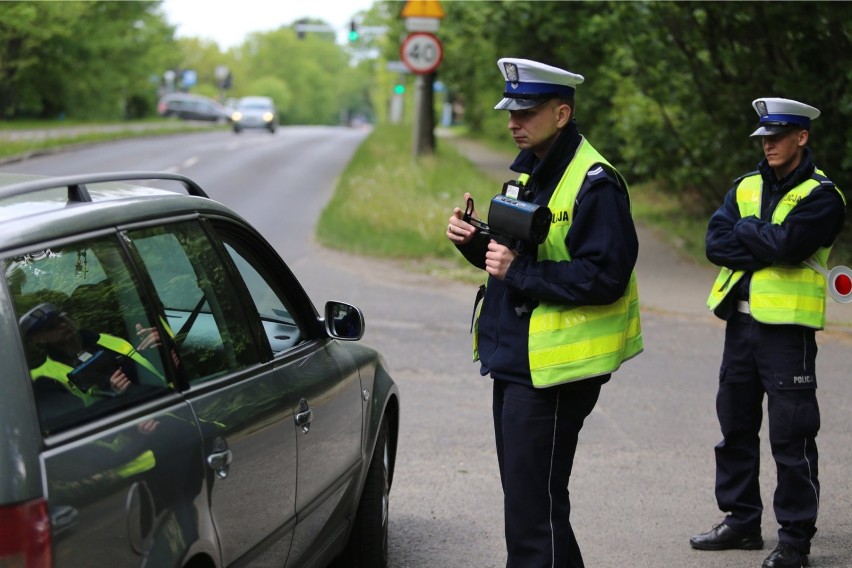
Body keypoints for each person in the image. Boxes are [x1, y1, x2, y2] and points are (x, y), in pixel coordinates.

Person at [446, 57, 643, 567]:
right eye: (511, 110)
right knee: (531, 503)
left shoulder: (595, 182)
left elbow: (605, 277)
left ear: (561, 113)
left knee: (533, 511)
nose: (514, 121)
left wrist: (517, 271)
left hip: (555, 371)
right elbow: (525, 257)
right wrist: (477, 244)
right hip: (518, 358)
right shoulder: (534, 169)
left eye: (527, 111)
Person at [692, 98, 846, 568]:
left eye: (778, 136)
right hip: (740, 323)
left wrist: (750, 233)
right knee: (735, 427)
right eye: (764, 137)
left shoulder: (824, 196)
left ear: (802, 137)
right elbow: (714, 243)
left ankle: (795, 541)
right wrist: (762, 237)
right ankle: (741, 522)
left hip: (788, 333)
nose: (769, 144)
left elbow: (787, 247)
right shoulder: (745, 186)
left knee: (792, 437)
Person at [18, 302, 165, 410]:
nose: (62, 326)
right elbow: (79, 425)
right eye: (51, 326)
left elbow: (152, 374)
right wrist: (114, 395)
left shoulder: (108, 340)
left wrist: (160, 349)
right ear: (39, 339)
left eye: (61, 319)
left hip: (168, 405)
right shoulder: (44, 380)